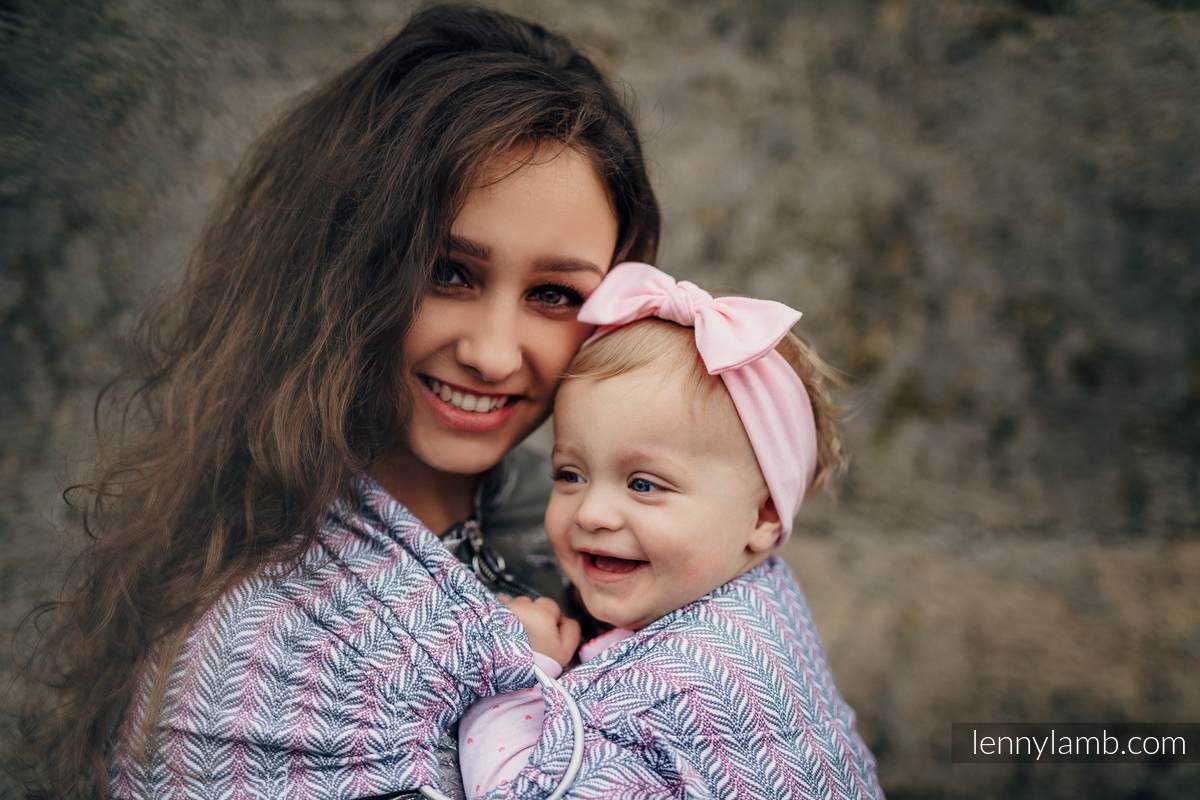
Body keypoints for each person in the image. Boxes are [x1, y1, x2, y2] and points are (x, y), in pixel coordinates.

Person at [18, 5, 659, 798]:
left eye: (555, 293)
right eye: (447, 272)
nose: (493, 353)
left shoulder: (621, 532)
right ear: (344, 264)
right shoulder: (256, 652)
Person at [455, 263, 884, 798]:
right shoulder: (754, 593)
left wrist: (515, 678)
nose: (592, 514)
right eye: (570, 475)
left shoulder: (682, 686)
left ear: (763, 516)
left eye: (644, 484)